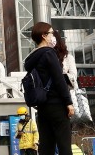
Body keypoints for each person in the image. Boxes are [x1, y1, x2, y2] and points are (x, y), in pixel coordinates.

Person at [24, 22, 73, 155]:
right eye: (51, 33)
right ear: (44, 35)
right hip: (57, 105)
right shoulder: (49, 53)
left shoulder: (31, 58)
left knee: (46, 146)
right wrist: (68, 102)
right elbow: (59, 79)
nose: (54, 36)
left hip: (42, 107)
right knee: (64, 146)